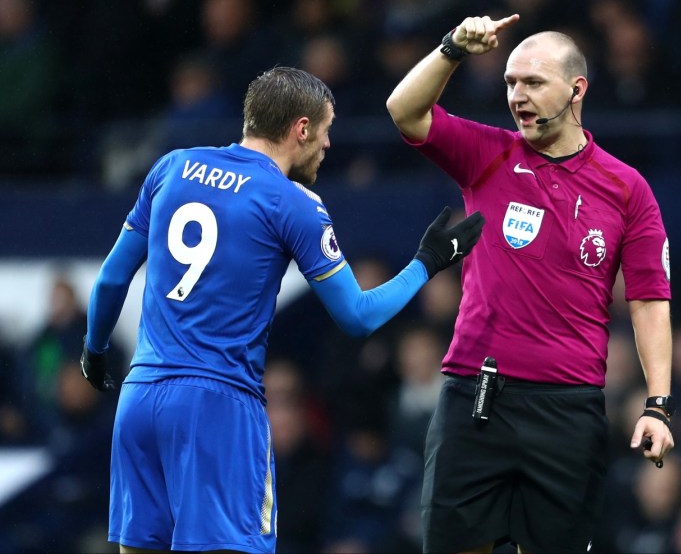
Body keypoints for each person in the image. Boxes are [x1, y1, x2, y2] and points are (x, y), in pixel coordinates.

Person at [78, 66, 484, 554]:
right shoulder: (294, 203)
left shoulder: (171, 167)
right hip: (219, 404)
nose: (329, 146)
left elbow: (111, 279)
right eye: (327, 130)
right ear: (302, 128)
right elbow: (357, 316)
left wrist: (94, 350)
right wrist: (429, 261)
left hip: (140, 397)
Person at [386, 13, 675, 553]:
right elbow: (403, 110)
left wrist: (658, 405)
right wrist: (451, 48)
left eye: (534, 83)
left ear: (576, 89)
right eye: (511, 83)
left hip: (567, 412)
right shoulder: (487, 153)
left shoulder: (626, 188)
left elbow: (649, 301)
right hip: (475, 397)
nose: (518, 95)